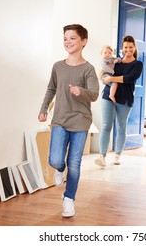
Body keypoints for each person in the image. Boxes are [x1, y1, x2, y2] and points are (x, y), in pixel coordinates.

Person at [38, 24, 99, 217]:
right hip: (60, 119)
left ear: (83, 41)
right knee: (55, 159)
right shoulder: (58, 66)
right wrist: (43, 109)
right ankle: (60, 169)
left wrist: (81, 91)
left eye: (72, 38)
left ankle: (69, 199)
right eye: (65, 38)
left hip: (81, 121)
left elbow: (94, 95)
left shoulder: (88, 69)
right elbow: (51, 89)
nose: (68, 42)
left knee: (75, 162)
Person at [95, 35, 143, 167]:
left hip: (125, 97)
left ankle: (117, 155)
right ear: (122, 48)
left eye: (130, 47)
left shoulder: (137, 64)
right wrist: (104, 77)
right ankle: (102, 156)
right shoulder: (116, 62)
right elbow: (105, 72)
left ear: (134, 48)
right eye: (125, 47)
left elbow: (129, 78)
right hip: (107, 96)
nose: (128, 49)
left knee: (121, 127)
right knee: (106, 126)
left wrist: (111, 79)